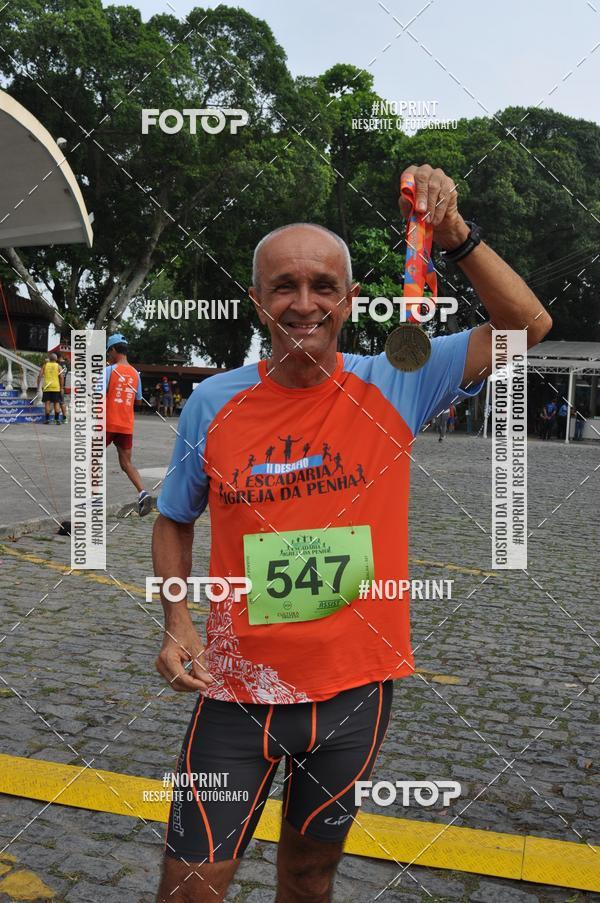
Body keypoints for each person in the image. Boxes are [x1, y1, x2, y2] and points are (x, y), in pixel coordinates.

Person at [152, 163, 552, 903]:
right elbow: (176, 517)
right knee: (190, 885)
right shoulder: (212, 403)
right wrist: (177, 620)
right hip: (236, 697)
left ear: (349, 299)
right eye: (284, 286)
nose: (304, 304)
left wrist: (456, 234)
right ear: (256, 301)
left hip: (354, 699)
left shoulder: (399, 378)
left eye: (323, 286)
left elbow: (527, 328)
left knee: (310, 875)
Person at [104, 334, 152, 516]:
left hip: (108, 423)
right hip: (126, 425)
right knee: (126, 463)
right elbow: (138, 402)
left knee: (90, 458)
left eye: (109, 352)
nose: (108, 355)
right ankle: (143, 492)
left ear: (114, 350)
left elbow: (98, 397)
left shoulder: (108, 371)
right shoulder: (135, 374)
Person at [37, 352, 64, 425]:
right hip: (56, 387)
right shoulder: (59, 366)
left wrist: (38, 386)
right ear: (56, 359)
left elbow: (39, 376)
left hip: (47, 387)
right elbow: (61, 377)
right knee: (56, 403)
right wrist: (61, 387)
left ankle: (47, 420)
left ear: (49, 359)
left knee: (47, 403)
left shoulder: (45, 365)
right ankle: (57, 420)